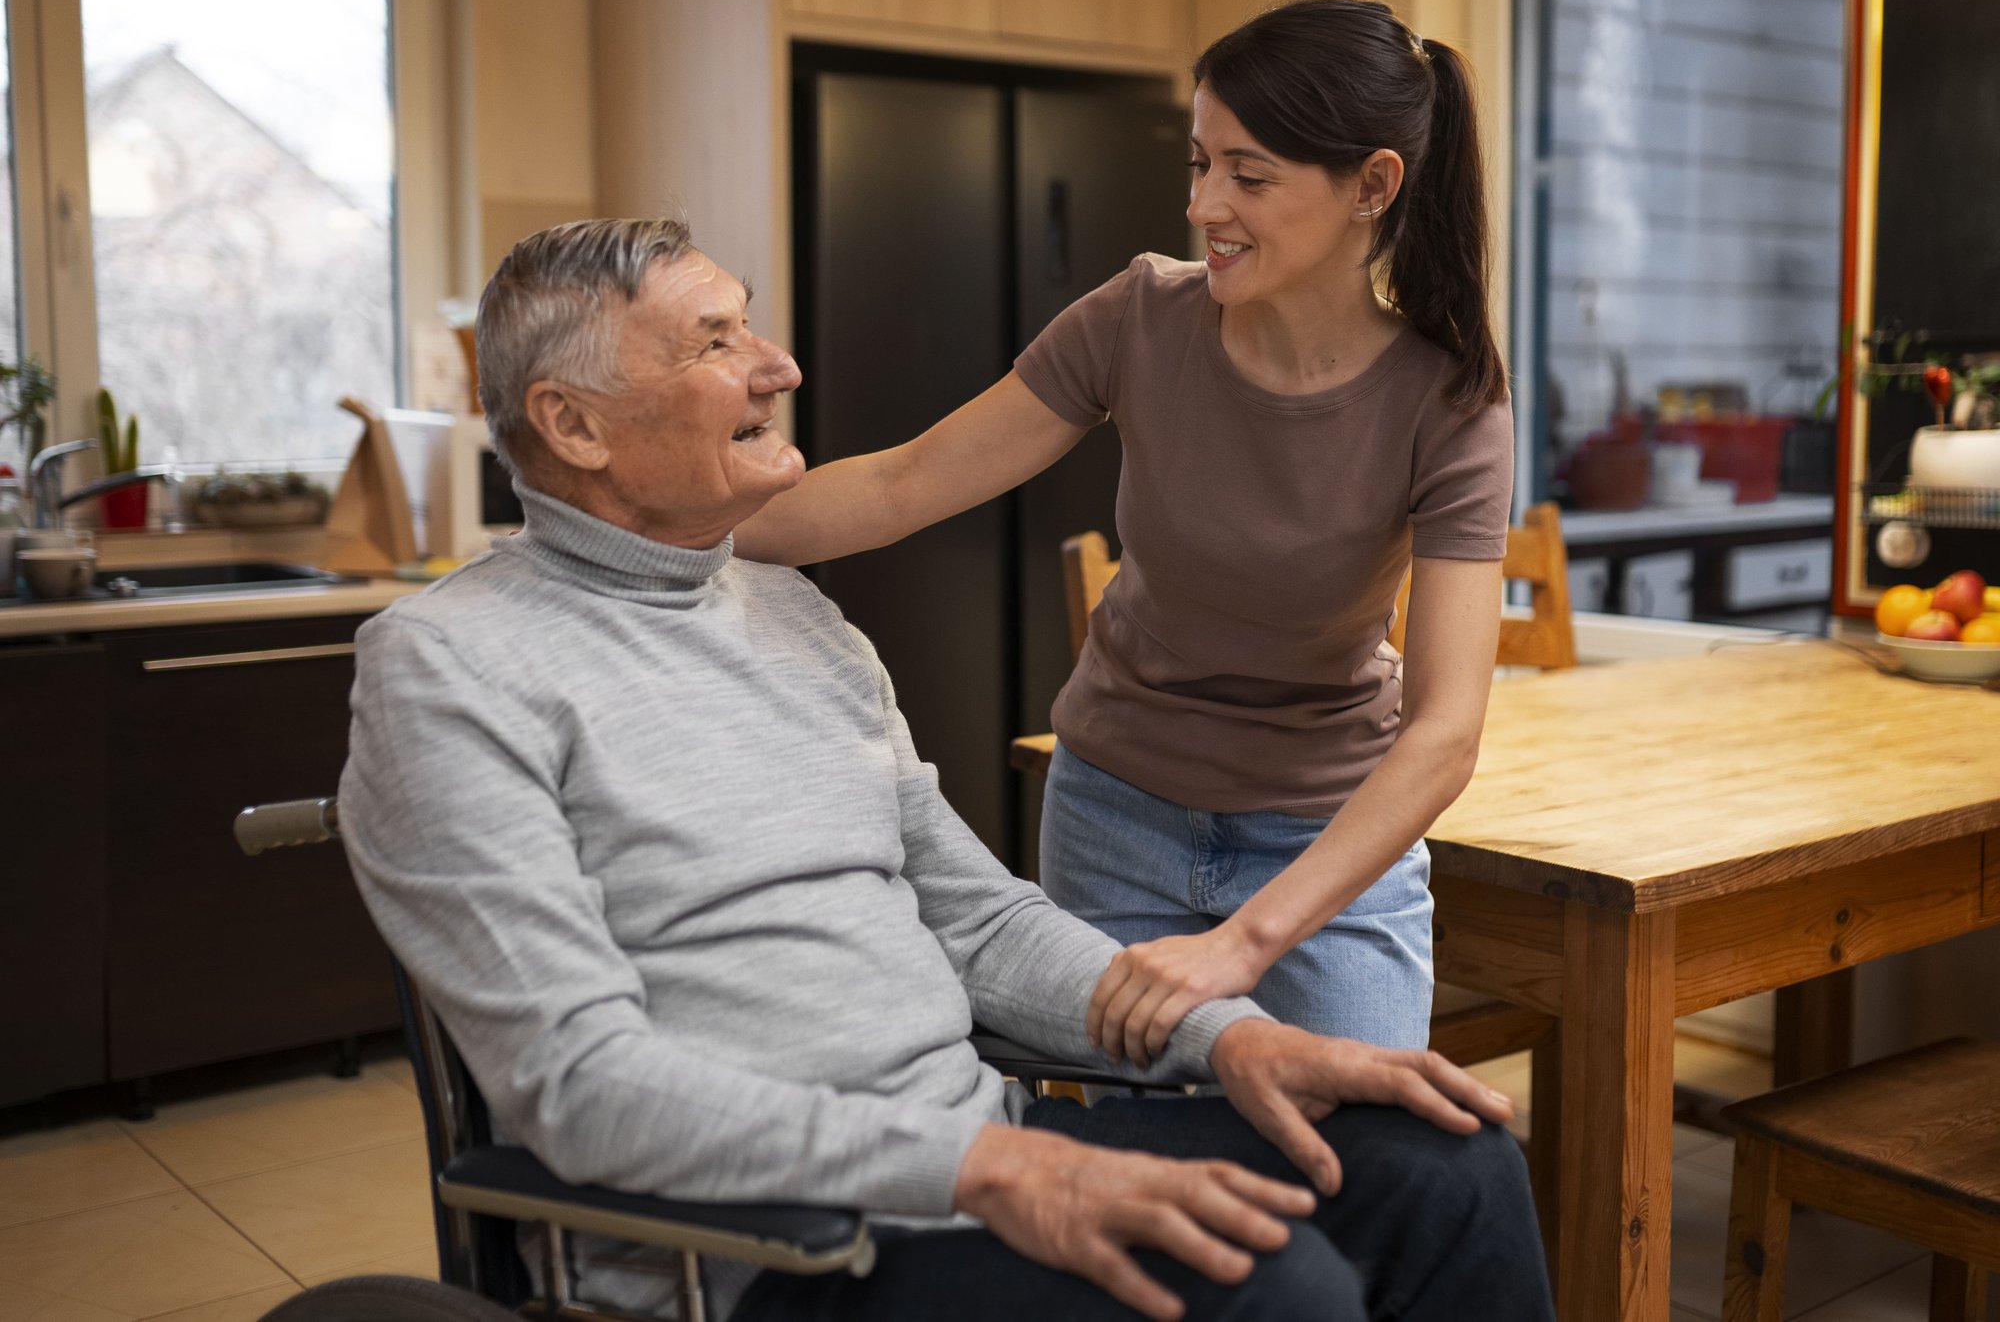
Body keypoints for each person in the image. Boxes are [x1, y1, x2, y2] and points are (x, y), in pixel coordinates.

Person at [340, 217, 1554, 1322]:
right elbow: (580, 1085)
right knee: (1260, 1290)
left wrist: (1230, 1039)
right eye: (716, 342)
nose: (778, 365)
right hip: (763, 1256)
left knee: (1447, 1166)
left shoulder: (795, 616)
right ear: (573, 424)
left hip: (967, 1170)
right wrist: (983, 1165)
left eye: (750, 321)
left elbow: (977, 925)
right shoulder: (450, 667)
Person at [732, 0, 1512, 1070]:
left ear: (1371, 186)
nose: (1203, 205)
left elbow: (1443, 733)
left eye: (1247, 174)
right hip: (1116, 817)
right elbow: (902, 484)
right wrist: (655, 522)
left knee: (1360, 1170)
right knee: (1147, 1180)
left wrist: (1246, 940)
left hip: (1328, 844)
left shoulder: (1449, 400)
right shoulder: (1138, 317)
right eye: (1198, 164)